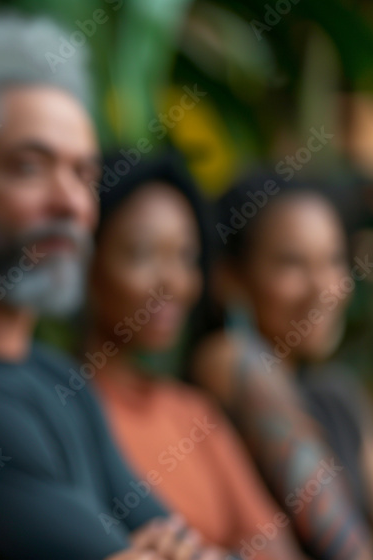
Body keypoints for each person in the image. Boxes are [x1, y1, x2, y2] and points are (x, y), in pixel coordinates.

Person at [0, 16, 231, 560]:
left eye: (82, 174)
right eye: (30, 168)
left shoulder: (57, 376)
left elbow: (184, 541)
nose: (70, 204)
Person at [85, 154, 305, 560]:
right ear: (87, 259)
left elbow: (277, 551)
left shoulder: (192, 413)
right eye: (142, 254)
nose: (173, 282)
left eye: (186, 257)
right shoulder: (64, 407)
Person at [193, 174, 373, 560]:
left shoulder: (336, 394)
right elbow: (338, 535)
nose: (322, 287)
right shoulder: (229, 358)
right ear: (231, 279)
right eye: (292, 264)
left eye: (333, 260)